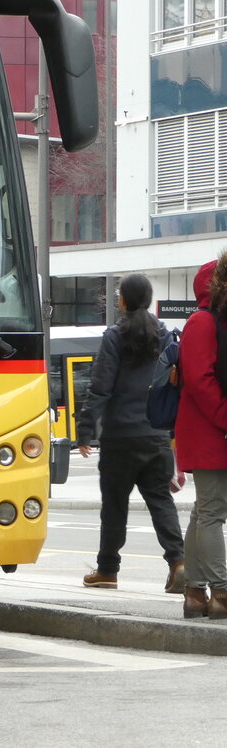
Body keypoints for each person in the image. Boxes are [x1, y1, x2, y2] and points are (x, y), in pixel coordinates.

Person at [76, 273, 185, 593]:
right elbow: (172, 386)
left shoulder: (114, 336)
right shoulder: (165, 335)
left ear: (122, 300)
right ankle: (178, 562)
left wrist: (84, 430)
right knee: (161, 502)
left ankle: (108, 570)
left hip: (119, 438)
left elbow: (101, 387)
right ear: (149, 301)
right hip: (156, 435)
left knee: (114, 505)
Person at [175, 252, 227, 619]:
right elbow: (199, 379)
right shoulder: (203, 322)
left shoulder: (212, 321)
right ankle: (222, 592)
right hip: (208, 428)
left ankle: (195, 592)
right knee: (212, 511)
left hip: (211, 427)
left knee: (204, 511)